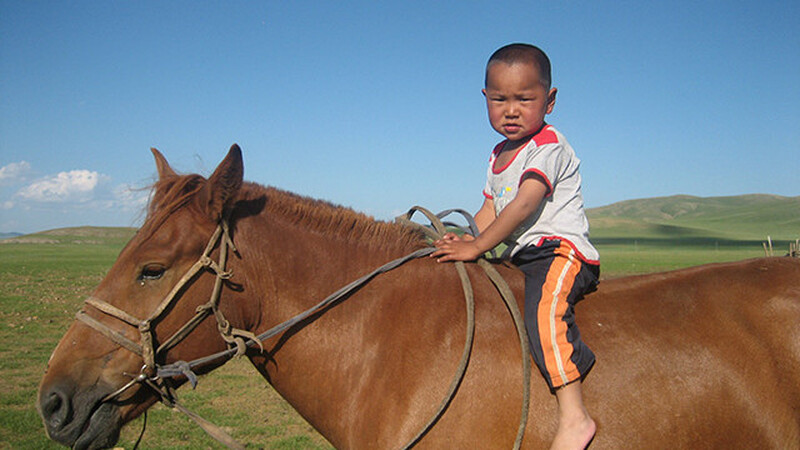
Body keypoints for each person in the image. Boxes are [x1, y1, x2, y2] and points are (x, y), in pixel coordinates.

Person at [431, 43, 599, 450]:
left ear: (550, 100)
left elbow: (525, 203)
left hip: (561, 252)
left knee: (545, 313)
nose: (511, 110)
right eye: (499, 99)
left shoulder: (549, 145)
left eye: (525, 99)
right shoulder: (498, 154)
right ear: (485, 99)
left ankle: (575, 416)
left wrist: (478, 247)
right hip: (520, 256)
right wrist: (469, 238)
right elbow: (491, 207)